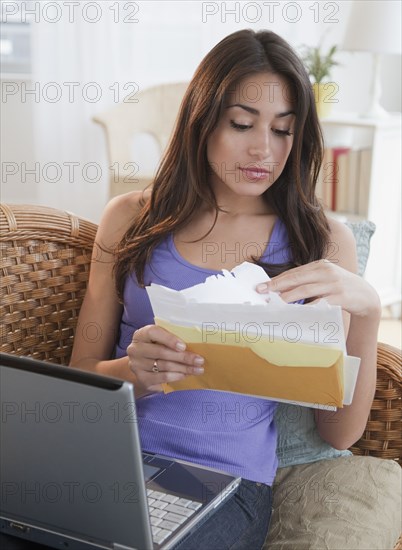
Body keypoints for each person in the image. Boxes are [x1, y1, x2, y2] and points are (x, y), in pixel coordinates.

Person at [70, 29, 381, 549]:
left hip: (225, 486)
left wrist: (367, 313)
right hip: (111, 464)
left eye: (283, 130)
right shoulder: (130, 219)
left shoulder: (322, 240)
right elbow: (80, 381)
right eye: (242, 124)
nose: (264, 149)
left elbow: (339, 434)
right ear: (203, 122)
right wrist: (134, 374)